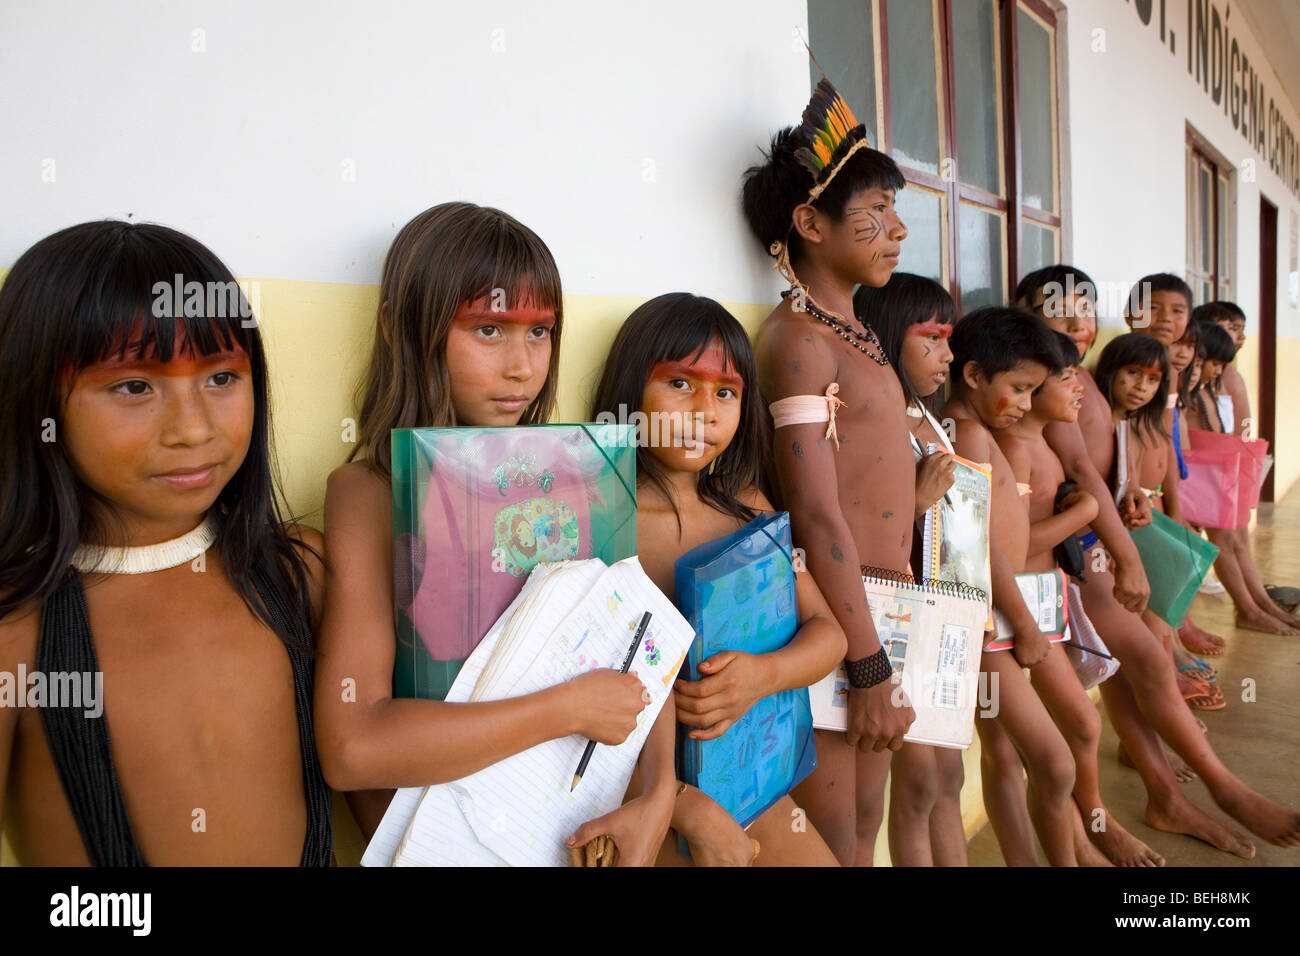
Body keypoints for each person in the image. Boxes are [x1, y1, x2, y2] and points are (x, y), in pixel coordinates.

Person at [313, 202, 674, 866]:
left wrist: (660, 793)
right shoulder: (369, 493)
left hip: (574, 824)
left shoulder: (575, 471)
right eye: (488, 330)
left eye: (540, 334)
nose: (522, 367)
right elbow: (352, 747)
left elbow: (634, 641)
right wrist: (566, 708)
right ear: (402, 329)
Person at [0, 220, 332, 865]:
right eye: (133, 386)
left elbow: (389, 804)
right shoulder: (16, 623)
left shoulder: (300, 572)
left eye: (220, 378)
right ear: (38, 398)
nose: (193, 428)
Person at [590, 292, 845, 866]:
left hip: (750, 785)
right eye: (681, 384)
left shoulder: (750, 512)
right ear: (632, 389)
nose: (705, 410)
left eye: (726, 392)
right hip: (645, 803)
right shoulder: (599, 526)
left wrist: (763, 675)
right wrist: (682, 805)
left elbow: (829, 633)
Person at [742, 77, 916, 866]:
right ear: (809, 223)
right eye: (874, 215)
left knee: (866, 829)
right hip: (844, 631)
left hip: (885, 612)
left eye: (895, 213)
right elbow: (815, 516)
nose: (898, 231)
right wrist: (867, 660)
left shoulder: (856, 331)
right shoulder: (798, 341)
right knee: (839, 845)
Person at [988, 330, 1165, 865]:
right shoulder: (1012, 448)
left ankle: (1084, 840)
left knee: (1073, 733)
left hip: (1043, 601)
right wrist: (1082, 514)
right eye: (1063, 378)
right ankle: (1079, 848)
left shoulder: (1044, 442)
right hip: (1008, 609)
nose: (1079, 388)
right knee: (1022, 750)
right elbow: (1009, 551)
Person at [943, 305, 1080, 866]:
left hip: (1002, 615)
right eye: (1019, 389)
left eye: (1033, 391)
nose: (1025, 405)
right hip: (988, 622)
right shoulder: (969, 437)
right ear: (973, 375)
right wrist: (1023, 624)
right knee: (1054, 761)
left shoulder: (983, 431)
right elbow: (976, 545)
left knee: (1010, 754)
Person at [854, 273, 966, 866]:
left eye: (949, 339)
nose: (948, 354)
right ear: (890, 337)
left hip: (942, 619)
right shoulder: (878, 422)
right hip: (892, 626)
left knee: (947, 775)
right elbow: (857, 530)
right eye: (933, 339)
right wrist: (916, 502)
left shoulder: (926, 414)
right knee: (915, 780)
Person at [1186, 321, 1300, 635]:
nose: (1210, 371)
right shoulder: (1189, 396)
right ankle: (1248, 609)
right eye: (1211, 363)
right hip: (1195, 481)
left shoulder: (1206, 389)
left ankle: (1260, 603)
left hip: (1211, 476)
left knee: (1235, 539)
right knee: (1221, 542)